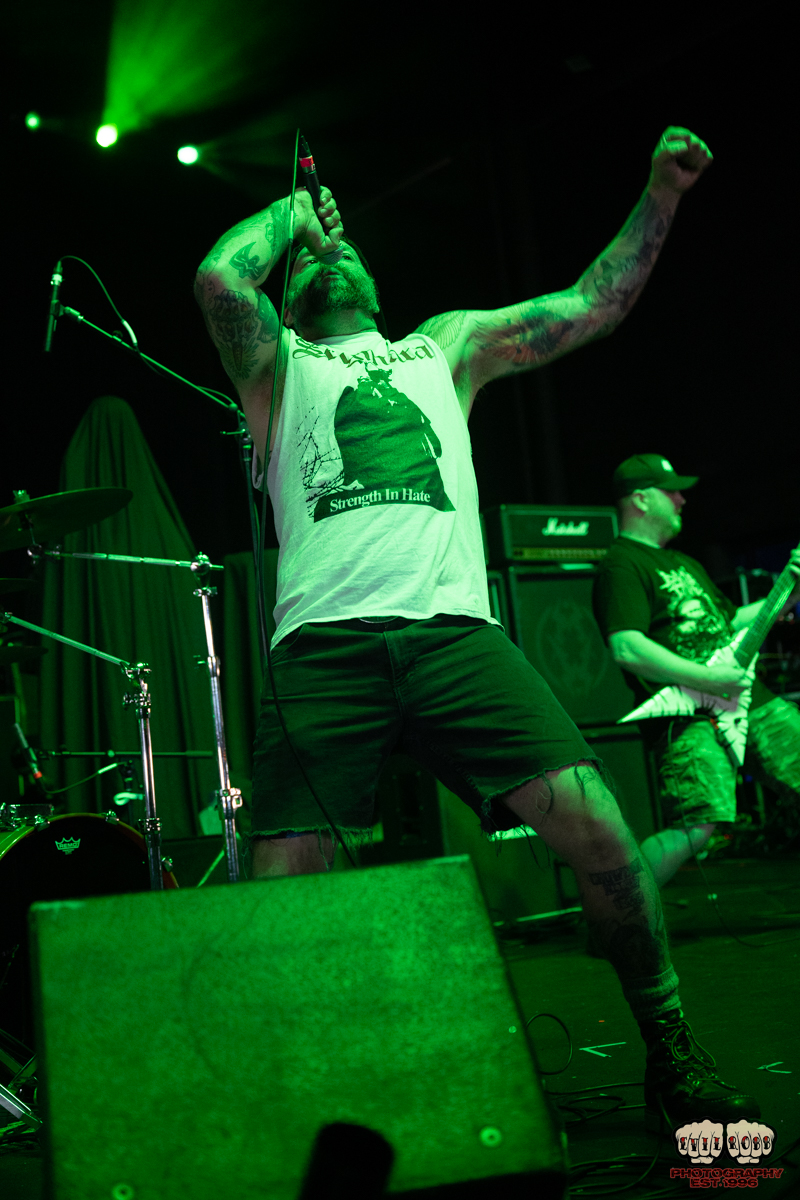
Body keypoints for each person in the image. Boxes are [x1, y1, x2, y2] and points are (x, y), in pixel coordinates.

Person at [195, 128, 758, 1126]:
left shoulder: (444, 346)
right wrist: (297, 217)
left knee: (601, 831)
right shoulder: (278, 367)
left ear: (378, 284)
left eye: (347, 250)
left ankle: (670, 1046)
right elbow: (218, 280)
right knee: (284, 884)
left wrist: (661, 194)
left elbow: (588, 306)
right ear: (291, 288)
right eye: (313, 260)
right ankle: (297, 1097)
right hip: (324, 648)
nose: (334, 257)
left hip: (456, 636)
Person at [592, 453, 800, 886]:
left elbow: (734, 622)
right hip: (684, 715)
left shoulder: (686, 563)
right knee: (695, 827)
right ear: (641, 499)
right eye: (672, 492)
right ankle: (619, 911)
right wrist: (708, 679)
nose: (682, 500)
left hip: (746, 698)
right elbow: (627, 646)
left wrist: (791, 589)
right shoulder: (621, 564)